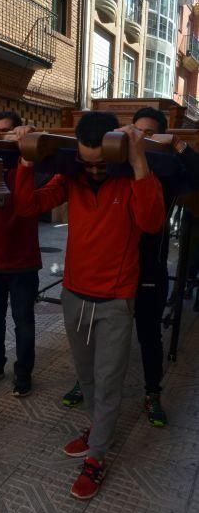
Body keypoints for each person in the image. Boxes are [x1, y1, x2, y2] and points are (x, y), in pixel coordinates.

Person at [13, 112, 165, 499]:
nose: (95, 169)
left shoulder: (135, 179)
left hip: (115, 299)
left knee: (109, 381)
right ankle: (98, 428)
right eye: (88, 162)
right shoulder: (73, 176)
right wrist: (27, 160)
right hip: (75, 294)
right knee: (88, 376)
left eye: (102, 161)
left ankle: (97, 456)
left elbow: (151, 222)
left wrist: (137, 161)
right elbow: (28, 206)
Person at [62, 107, 199, 427]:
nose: (138, 138)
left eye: (147, 133)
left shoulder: (163, 166)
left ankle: (152, 392)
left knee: (149, 334)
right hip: (111, 270)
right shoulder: (114, 168)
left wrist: (176, 143)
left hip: (148, 268)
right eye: (133, 132)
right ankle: (87, 384)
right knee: (94, 339)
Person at [0, 111, 41, 397]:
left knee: (24, 323)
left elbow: (48, 154)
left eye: (6, 131)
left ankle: (24, 373)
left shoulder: (29, 164)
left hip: (23, 264)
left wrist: (30, 139)